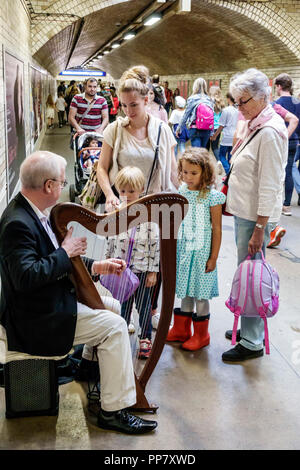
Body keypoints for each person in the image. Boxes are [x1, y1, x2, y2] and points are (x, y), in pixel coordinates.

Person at [0, 151, 157, 435]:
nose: (62, 187)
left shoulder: (32, 212)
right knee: (116, 326)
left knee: (110, 306)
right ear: (49, 186)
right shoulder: (17, 224)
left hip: (44, 303)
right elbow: (26, 277)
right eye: (61, 182)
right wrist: (65, 252)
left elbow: (52, 259)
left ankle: (88, 368)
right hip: (35, 319)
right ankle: (114, 410)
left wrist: (97, 266)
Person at [222, 68, 288, 362]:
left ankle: (251, 341)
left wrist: (261, 227)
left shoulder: (270, 132)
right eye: (236, 102)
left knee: (252, 275)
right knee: (246, 271)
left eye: (244, 101)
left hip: (254, 217)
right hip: (246, 213)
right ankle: (249, 326)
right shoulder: (255, 123)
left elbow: (271, 184)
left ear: (263, 97)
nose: (239, 108)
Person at [97, 65, 179, 213]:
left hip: (155, 206)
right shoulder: (114, 130)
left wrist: (187, 196)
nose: (128, 111)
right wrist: (109, 195)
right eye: (124, 105)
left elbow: (173, 170)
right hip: (122, 205)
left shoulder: (163, 131)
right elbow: (102, 167)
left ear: (146, 100)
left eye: (134, 105)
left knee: (153, 236)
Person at [166, 147, 225, 351]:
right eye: (184, 172)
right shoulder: (182, 192)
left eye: (193, 173)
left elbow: (217, 229)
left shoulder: (212, 196)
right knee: (185, 292)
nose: (187, 177)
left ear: (205, 173)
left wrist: (214, 257)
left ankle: (202, 335)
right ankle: (182, 330)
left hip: (203, 254)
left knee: (200, 295)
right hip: (185, 250)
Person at [105, 166, 159, 359]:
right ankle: (120, 335)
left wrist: (153, 272)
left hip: (143, 270)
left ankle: (145, 337)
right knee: (124, 304)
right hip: (122, 270)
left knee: (144, 305)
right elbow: (110, 239)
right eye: (122, 191)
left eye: (132, 191)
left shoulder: (149, 215)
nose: (127, 195)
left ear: (141, 189)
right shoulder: (116, 213)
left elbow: (155, 245)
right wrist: (107, 262)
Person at [274, 73, 300, 216]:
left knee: (277, 171)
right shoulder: (297, 102)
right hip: (294, 140)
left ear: (279, 86)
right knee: (289, 171)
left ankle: (276, 203)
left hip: (280, 140)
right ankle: (287, 205)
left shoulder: (276, 104)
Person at [176, 77, 214, 148]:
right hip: (207, 130)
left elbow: (186, 115)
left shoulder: (192, 98)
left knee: (196, 153)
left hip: (195, 129)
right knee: (202, 152)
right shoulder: (209, 99)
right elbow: (212, 115)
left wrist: (179, 129)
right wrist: (212, 132)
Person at [210, 93, 238, 174]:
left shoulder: (226, 110)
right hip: (234, 137)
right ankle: (230, 173)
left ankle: (228, 173)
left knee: (222, 156)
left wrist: (215, 135)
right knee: (230, 156)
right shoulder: (237, 110)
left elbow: (221, 125)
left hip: (226, 137)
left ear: (229, 99)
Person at [207, 85, 226, 161]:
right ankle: (219, 162)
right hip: (218, 128)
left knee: (206, 147)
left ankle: (205, 164)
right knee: (215, 147)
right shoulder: (221, 103)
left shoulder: (209, 102)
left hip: (209, 127)